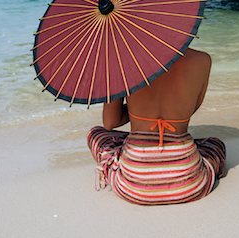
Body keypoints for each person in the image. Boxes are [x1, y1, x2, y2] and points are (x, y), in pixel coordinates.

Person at [87, 48, 226, 205]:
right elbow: (191, 109)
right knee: (215, 144)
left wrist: (137, 112)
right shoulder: (202, 60)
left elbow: (110, 122)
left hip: (133, 186)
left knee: (96, 133)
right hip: (190, 185)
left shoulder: (120, 62)